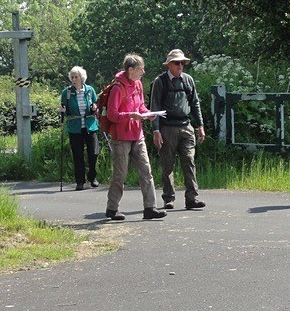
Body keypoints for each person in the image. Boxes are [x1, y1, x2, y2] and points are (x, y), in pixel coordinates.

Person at [104, 54, 166, 221]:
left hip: (137, 135)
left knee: (146, 171)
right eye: (141, 69)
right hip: (120, 138)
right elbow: (112, 115)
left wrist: (149, 114)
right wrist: (130, 115)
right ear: (130, 70)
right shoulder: (117, 88)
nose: (143, 72)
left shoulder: (138, 84)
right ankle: (112, 208)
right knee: (120, 174)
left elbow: (141, 107)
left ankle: (150, 208)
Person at [149, 49, 206, 210]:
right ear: (169, 65)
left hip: (186, 126)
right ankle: (169, 198)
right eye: (176, 63)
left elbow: (195, 103)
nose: (180, 65)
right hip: (167, 128)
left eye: (182, 63)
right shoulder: (160, 82)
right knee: (167, 164)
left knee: (189, 161)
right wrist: (156, 131)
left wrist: (200, 126)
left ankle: (192, 198)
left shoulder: (188, 80)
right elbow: (155, 107)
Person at [59, 67, 99, 190]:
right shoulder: (66, 92)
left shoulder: (90, 90)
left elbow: (96, 105)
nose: (74, 79)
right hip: (75, 128)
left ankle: (92, 177)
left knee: (94, 153)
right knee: (78, 155)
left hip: (90, 126)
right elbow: (63, 108)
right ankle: (80, 181)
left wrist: (95, 108)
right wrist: (62, 111)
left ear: (82, 78)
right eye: (72, 77)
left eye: (76, 77)